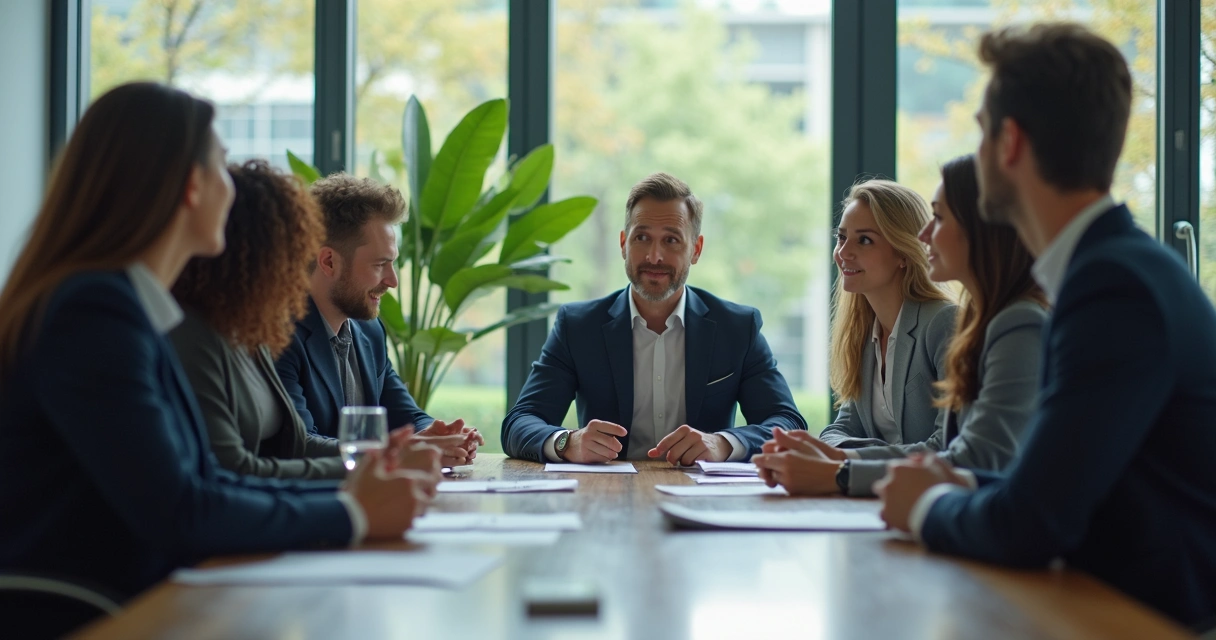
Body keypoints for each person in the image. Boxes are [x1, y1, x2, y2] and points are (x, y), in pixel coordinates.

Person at [0, 82, 440, 636]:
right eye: (221, 168)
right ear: (190, 186)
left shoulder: (129, 305)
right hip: (97, 611)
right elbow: (181, 509)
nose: (232, 192)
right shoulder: (95, 310)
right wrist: (353, 512)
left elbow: (204, 480)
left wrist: (356, 493)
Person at [875, 24, 1216, 631]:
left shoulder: (1114, 287)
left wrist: (926, 503)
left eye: (981, 133)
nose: (975, 155)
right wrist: (955, 477)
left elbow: (1033, 523)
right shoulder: (1110, 269)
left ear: (1009, 144)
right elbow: (1054, 483)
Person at [754, 155, 1047, 496]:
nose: (843, 252)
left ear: (903, 253)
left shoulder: (959, 323)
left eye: (864, 240)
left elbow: (960, 453)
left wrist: (840, 468)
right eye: (841, 237)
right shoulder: (864, 330)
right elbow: (842, 426)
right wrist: (831, 458)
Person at [501, 172, 806, 465]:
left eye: (671, 240)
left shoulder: (738, 328)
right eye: (642, 237)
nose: (654, 256)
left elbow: (789, 424)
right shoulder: (578, 327)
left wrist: (722, 443)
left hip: (702, 502)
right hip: (608, 497)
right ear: (623, 244)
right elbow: (519, 422)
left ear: (696, 250)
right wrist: (567, 442)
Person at [275, 174, 483, 467]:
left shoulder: (368, 331)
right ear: (329, 261)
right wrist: (399, 453)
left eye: (392, 263)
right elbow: (299, 445)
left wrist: (439, 436)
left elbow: (404, 413)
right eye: (379, 265)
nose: (392, 281)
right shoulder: (279, 335)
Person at [170, 159, 346, 479]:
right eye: (292, 256)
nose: (299, 273)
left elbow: (293, 443)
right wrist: (359, 468)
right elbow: (233, 468)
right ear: (256, 259)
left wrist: (382, 456)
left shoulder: (251, 330)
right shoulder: (193, 334)